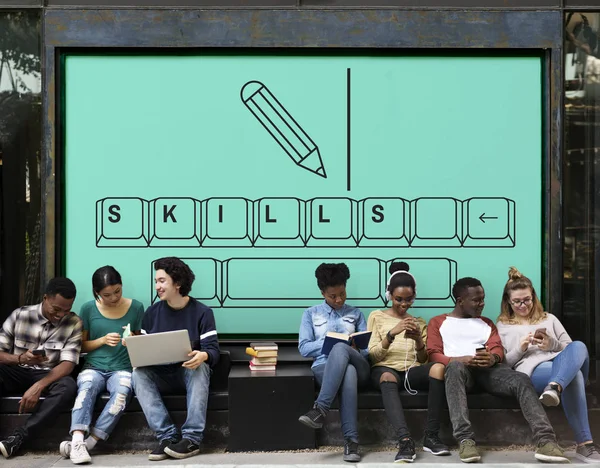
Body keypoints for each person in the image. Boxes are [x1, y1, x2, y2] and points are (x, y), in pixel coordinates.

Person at [427, 277, 568, 464]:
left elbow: (497, 349)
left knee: (520, 379)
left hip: (488, 371)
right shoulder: (438, 322)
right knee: (453, 368)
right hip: (459, 372)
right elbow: (433, 354)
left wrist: (492, 358)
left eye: (483, 299)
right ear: (460, 301)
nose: (482, 304)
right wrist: (460, 359)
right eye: (476, 300)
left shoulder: (487, 323)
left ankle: (546, 441)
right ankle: (465, 440)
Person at [497, 267, 599, 463]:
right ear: (508, 302)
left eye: (526, 299)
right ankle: (585, 445)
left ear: (533, 297)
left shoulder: (549, 318)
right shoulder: (503, 326)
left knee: (579, 345)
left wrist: (551, 344)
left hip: (561, 364)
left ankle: (555, 387)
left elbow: (572, 350)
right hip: (533, 370)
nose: (522, 305)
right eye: (517, 301)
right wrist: (521, 348)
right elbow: (505, 364)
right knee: (575, 377)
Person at [132, 257, 220, 461]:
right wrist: (135, 346)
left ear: (177, 283)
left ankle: (191, 439)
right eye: (156, 281)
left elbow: (213, 351)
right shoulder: (151, 313)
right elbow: (145, 351)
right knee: (138, 373)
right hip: (160, 374)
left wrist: (203, 355)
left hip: (188, 372)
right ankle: (167, 437)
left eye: (162, 281)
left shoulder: (203, 313)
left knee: (200, 367)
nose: (157, 286)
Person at [59, 266, 145, 464]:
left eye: (117, 291)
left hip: (123, 368)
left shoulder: (137, 307)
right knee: (86, 390)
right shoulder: (88, 308)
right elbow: (79, 346)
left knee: (121, 395)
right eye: (107, 294)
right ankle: (78, 439)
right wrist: (103, 340)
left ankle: (89, 443)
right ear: (97, 292)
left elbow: (140, 345)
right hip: (94, 367)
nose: (114, 298)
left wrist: (132, 340)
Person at [367, 261, 449, 462]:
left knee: (438, 368)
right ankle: (405, 440)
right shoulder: (376, 316)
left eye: (409, 299)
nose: (404, 304)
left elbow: (423, 360)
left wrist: (419, 341)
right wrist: (391, 334)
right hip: (385, 370)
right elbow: (372, 356)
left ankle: (431, 436)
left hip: (411, 372)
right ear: (389, 296)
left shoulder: (419, 322)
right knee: (387, 376)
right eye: (398, 299)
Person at [0, 278, 82, 459]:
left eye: (66, 310)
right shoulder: (20, 315)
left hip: (48, 375)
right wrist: (20, 358)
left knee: (68, 386)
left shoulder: (74, 322)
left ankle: (19, 437)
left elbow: (68, 364)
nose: (61, 315)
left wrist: (39, 386)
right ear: (45, 298)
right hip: (17, 370)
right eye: (56, 309)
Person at [298, 262, 370, 463]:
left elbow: (366, 352)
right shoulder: (310, 314)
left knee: (343, 353)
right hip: (324, 367)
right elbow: (304, 348)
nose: (339, 300)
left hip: (360, 365)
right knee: (347, 371)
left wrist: (350, 346)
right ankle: (351, 441)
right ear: (322, 292)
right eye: (333, 296)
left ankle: (320, 409)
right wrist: (330, 339)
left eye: (342, 294)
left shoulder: (356, 314)